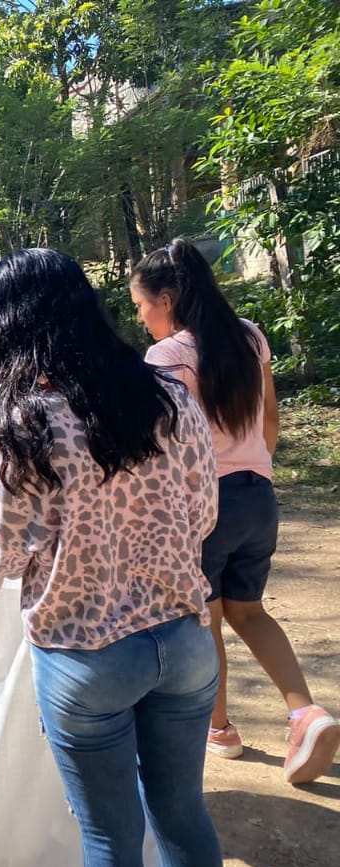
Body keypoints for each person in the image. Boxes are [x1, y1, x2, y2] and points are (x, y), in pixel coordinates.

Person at [0, 248, 222, 867]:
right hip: (185, 640)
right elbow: (203, 515)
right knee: (183, 811)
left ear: (9, 327)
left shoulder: (26, 431)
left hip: (86, 658)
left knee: (110, 834)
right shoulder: (169, 396)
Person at [133, 237, 340, 784]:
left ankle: (220, 728)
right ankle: (306, 713)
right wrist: (254, 468)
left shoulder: (167, 357)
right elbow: (269, 420)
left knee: (207, 620)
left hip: (205, 505)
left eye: (142, 305)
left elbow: (166, 446)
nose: (141, 318)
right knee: (250, 611)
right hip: (257, 496)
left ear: (167, 300)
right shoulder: (250, 336)